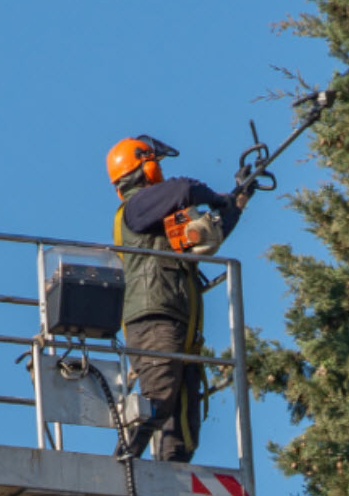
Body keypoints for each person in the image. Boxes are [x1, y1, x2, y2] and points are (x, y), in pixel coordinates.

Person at [105, 134, 245, 462]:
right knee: (159, 395)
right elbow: (184, 189)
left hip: (179, 322)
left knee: (183, 424)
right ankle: (122, 462)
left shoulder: (158, 217)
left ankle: (171, 474)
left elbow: (211, 233)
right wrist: (216, 198)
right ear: (144, 167)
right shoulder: (137, 206)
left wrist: (238, 200)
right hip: (155, 317)